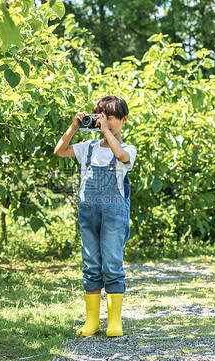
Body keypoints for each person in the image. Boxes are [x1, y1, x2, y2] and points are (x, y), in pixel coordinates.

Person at [54, 96, 137, 337]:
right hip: (89, 216)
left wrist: (106, 132)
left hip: (114, 216)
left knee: (112, 266)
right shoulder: (88, 148)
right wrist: (74, 127)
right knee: (91, 267)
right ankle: (92, 321)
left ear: (123, 119)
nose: (106, 122)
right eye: (102, 118)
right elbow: (60, 151)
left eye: (110, 118)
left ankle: (114, 322)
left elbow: (120, 155)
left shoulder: (128, 149)